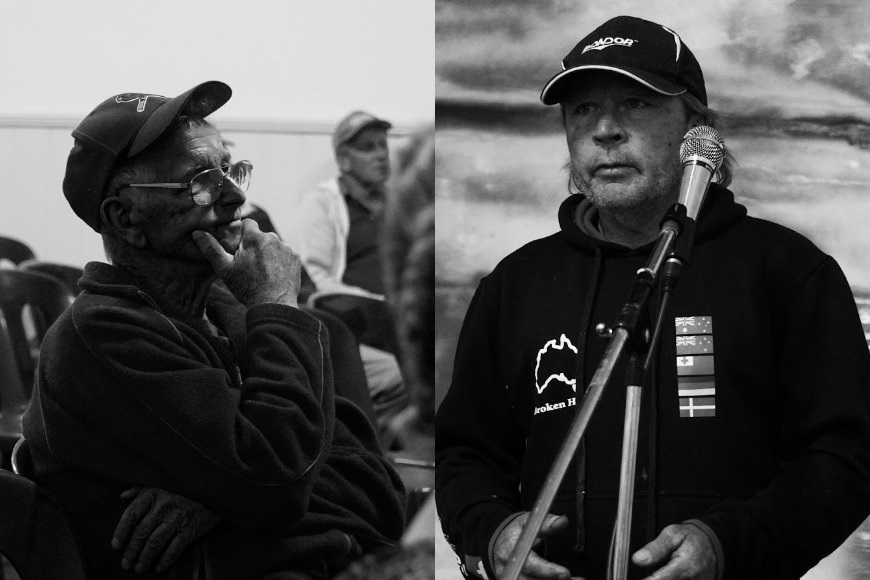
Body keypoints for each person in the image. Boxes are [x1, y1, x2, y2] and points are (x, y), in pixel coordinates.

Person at [435, 15, 870, 580]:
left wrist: (727, 545)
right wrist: (492, 530)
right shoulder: (517, 283)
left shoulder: (787, 271)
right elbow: (464, 452)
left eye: (635, 104)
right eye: (583, 109)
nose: (605, 130)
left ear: (695, 128)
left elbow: (846, 455)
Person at [22, 81, 405, 579]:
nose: (236, 195)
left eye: (231, 168)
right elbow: (280, 477)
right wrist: (276, 305)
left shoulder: (227, 310)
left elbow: (378, 491)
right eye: (201, 181)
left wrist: (220, 502)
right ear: (126, 218)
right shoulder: (100, 336)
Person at [292, 111, 408, 440]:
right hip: (355, 324)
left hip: (402, 324)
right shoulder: (323, 204)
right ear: (343, 160)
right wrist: (375, 304)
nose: (382, 154)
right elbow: (313, 277)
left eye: (383, 145)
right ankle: (365, 449)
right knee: (403, 374)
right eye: (368, 148)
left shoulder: (400, 204)